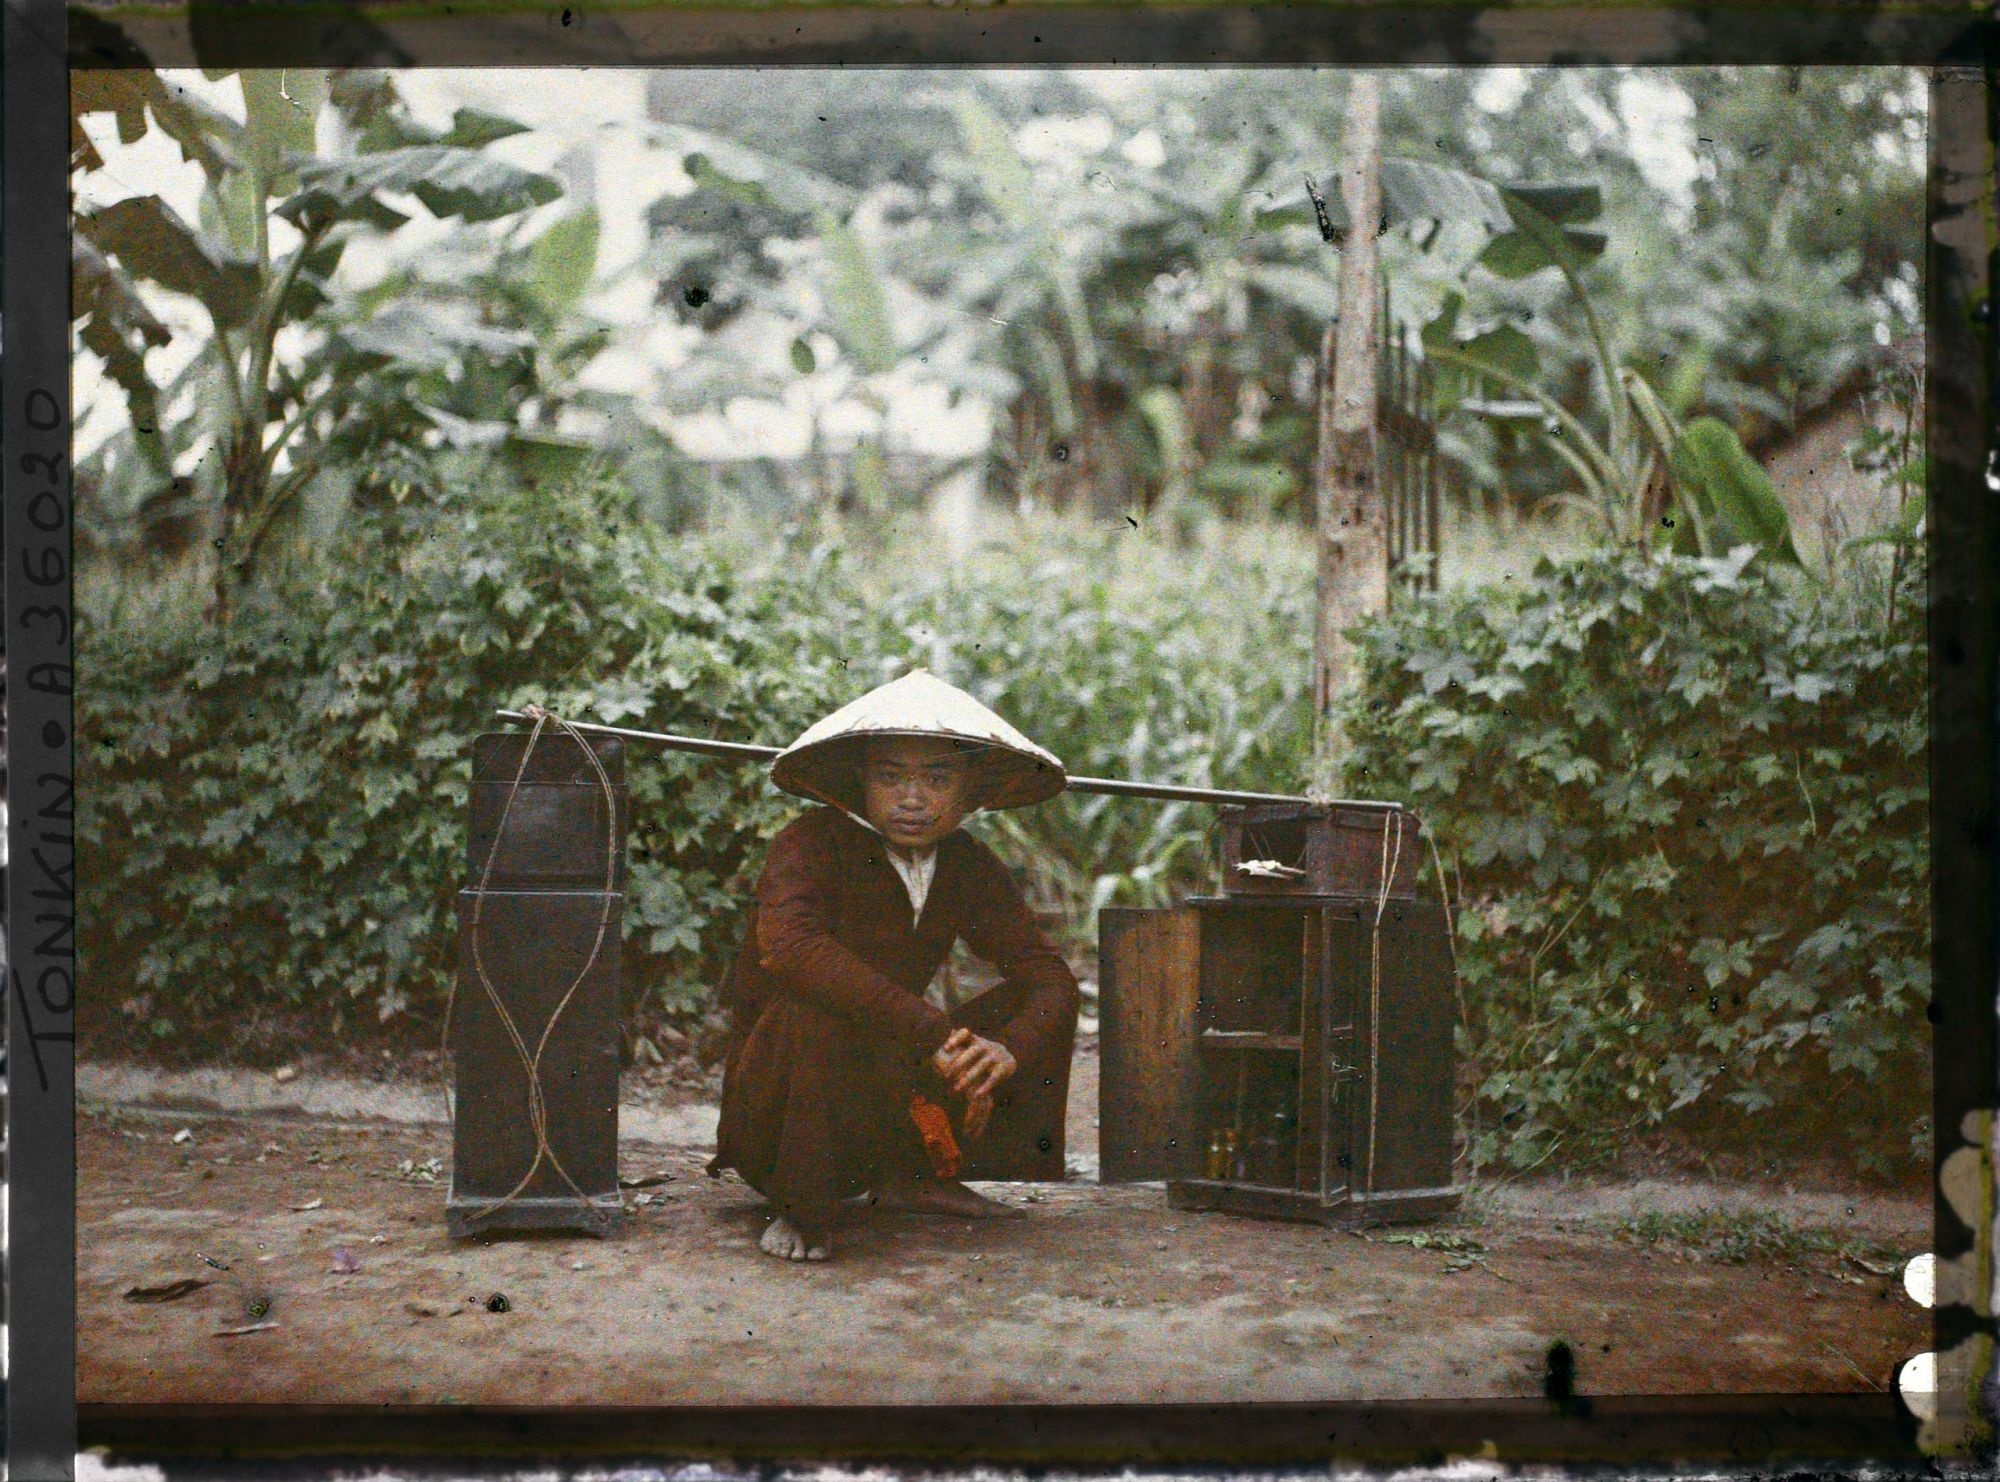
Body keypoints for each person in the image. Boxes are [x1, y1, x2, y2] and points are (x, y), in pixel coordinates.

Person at [709, 670, 1080, 1262]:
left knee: (1031, 1005)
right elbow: (794, 949)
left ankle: (915, 1176)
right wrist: (931, 1032)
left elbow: (1048, 973)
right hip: (783, 1107)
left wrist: (1011, 1046)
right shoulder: (808, 843)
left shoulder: (967, 864)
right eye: (891, 776)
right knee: (811, 1003)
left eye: (937, 779)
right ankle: (801, 1204)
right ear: (861, 780)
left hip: (887, 1077)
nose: (913, 798)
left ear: (967, 791)